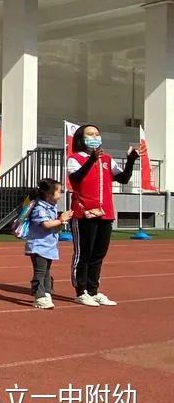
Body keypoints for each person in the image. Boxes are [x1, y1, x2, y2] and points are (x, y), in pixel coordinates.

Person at [67, 124, 138, 307]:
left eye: (97, 134)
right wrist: (91, 160)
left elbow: (122, 178)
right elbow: (75, 179)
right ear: (81, 138)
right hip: (84, 213)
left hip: (105, 213)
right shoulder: (75, 159)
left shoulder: (107, 158)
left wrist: (131, 160)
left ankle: (93, 290)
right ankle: (81, 291)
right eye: (90, 134)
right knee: (83, 253)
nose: (95, 137)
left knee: (99, 254)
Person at [22, 178, 73, 309]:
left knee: (46, 271)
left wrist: (61, 222)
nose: (61, 194)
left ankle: (47, 293)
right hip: (38, 245)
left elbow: (52, 225)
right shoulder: (39, 208)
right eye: (59, 192)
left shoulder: (52, 207)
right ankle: (39, 296)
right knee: (40, 272)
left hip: (49, 245)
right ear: (49, 194)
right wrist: (61, 220)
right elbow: (45, 224)